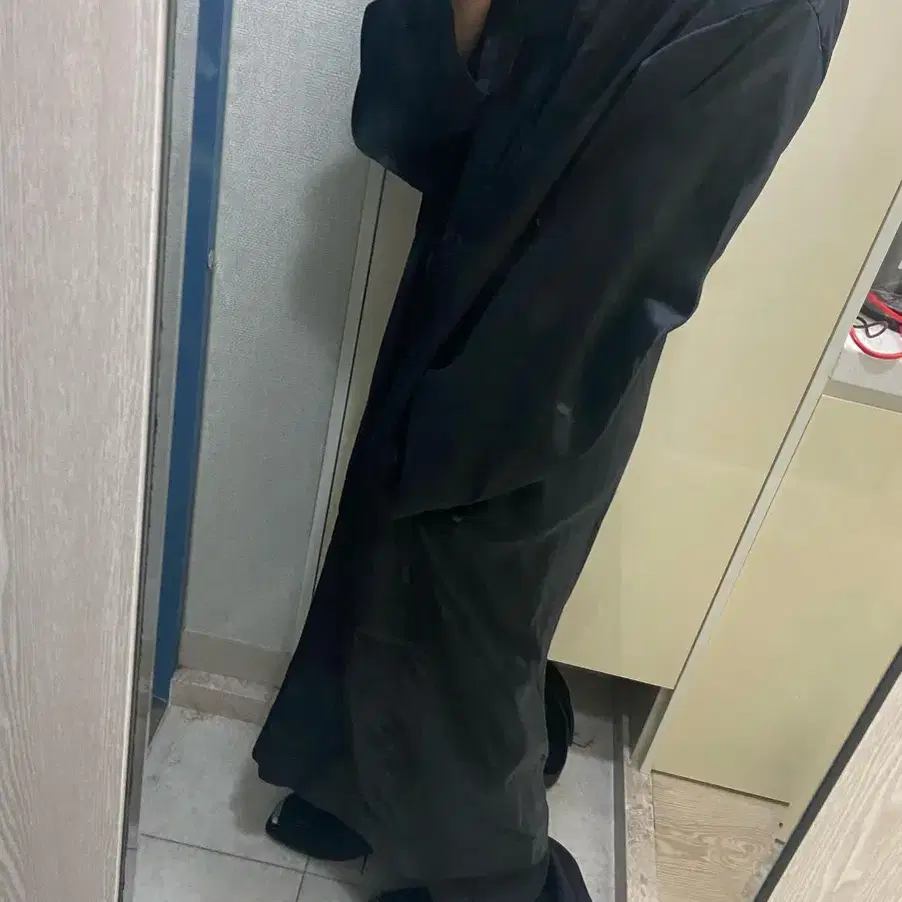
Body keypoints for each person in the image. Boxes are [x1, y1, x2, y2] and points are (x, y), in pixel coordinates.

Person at [253, 1, 847, 900]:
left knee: (469, 631)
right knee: (386, 579)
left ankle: (508, 886)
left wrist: (476, 413)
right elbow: (427, 123)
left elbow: (633, 251)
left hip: (549, 365)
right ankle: (356, 788)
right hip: (463, 284)